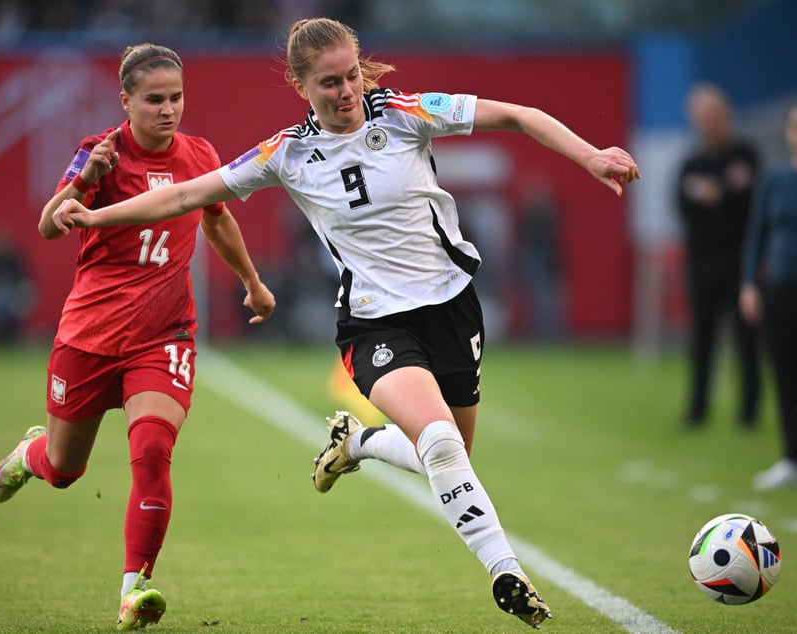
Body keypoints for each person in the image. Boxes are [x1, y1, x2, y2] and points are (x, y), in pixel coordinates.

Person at [53, 18, 640, 629]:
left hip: (452, 307)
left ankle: (356, 442)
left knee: (454, 452)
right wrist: (98, 220)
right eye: (330, 82)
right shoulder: (287, 153)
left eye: (353, 75)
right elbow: (183, 197)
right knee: (440, 443)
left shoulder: (407, 113)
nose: (347, 91)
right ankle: (505, 570)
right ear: (302, 87)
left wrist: (591, 154)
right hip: (373, 325)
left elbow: (518, 115)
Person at [0, 43, 276, 631]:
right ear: (126, 101)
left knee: (150, 451)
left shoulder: (199, 155)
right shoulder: (100, 155)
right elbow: (48, 227)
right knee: (66, 469)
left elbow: (218, 220)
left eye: (176, 98)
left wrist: (251, 281)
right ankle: (29, 455)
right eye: (154, 100)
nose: (168, 110)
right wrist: (83, 184)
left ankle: (133, 587)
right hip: (90, 335)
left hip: (165, 335)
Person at [676, 82, 762, 428]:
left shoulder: (744, 154)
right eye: (701, 117)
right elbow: (681, 204)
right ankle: (697, 411)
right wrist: (712, 195)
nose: (707, 123)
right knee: (702, 339)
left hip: (740, 260)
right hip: (702, 262)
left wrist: (717, 194)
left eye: (712, 115)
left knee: (747, 338)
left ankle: (749, 411)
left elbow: (750, 198)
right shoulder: (692, 161)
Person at [741, 104, 797, 491]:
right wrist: (748, 283)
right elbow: (756, 233)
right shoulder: (776, 179)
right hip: (780, 285)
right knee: (784, 371)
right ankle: (791, 457)